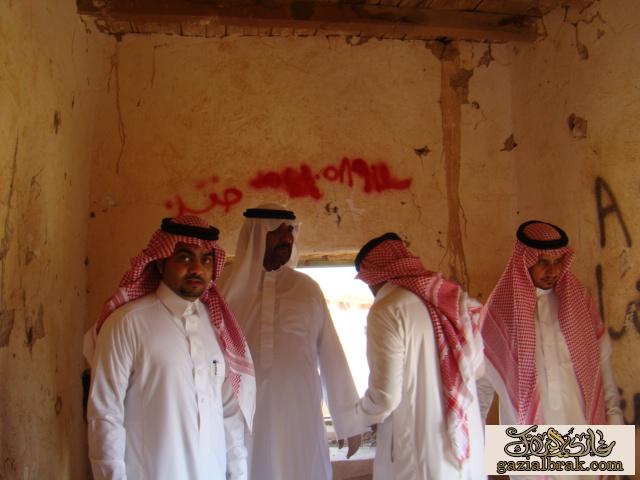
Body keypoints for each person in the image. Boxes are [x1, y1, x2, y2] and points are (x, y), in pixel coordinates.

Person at [85, 216, 255, 480]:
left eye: (206, 259)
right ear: (161, 262)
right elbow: (105, 415)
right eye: (185, 258)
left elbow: (229, 413)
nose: (197, 269)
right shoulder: (127, 323)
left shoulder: (216, 326)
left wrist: (238, 474)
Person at [218, 204, 362, 480]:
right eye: (277, 231)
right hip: (239, 411)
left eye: (290, 231)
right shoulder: (224, 286)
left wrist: (349, 420)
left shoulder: (307, 288)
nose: (287, 238)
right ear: (256, 235)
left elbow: (331, 353)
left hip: (298, 408)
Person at [478, 220, 623, 479]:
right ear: (525, 261)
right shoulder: (500, 313)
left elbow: (603, 366)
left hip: (582, 428)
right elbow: (481, 383)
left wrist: (615, 421)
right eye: (543, 262)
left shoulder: (579, 303)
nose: (553, 270)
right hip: (527, 437)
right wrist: (475, 442)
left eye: (558, 262)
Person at [351, 232, 486, 480]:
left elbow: (385, 398)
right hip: (465, 441)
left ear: (372, 278)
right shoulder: (454, 299)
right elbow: (477, 370)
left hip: (420, 448)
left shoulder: (387, 309)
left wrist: (355, 417)